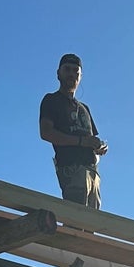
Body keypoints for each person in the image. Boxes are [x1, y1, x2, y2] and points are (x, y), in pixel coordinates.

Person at [38, 53, 107, 208]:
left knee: (91, 225)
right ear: (58, 73)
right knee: (75, 221)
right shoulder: (52, 100)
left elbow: (91, 139)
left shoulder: (84, 109)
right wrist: (81, 142)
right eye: (67, 69)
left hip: (92, 172)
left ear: (81, 76)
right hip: (72, 170)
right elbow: (46, 132)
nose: (71, 74)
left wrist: (98, 147)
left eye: (76, 71)